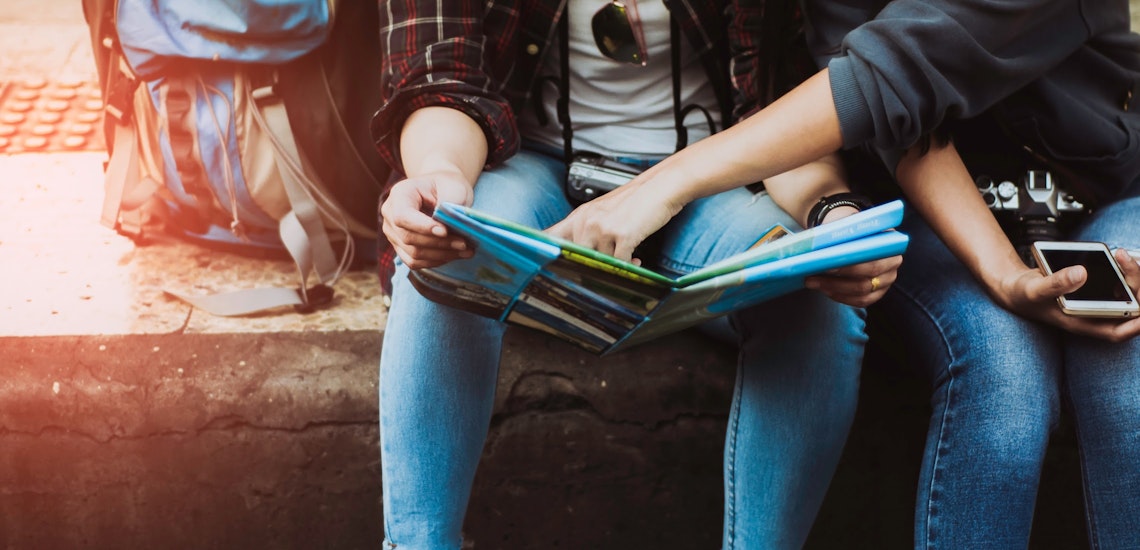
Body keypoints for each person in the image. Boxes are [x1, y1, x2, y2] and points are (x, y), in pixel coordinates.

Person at [552, 0, 1140, 547]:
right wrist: (1002, 272)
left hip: (1101, 184)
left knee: (1126, 372)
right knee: (1004, 377)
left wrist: (661, 186)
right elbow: (896, 102)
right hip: (935, 197)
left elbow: (894, 72)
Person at [371, 0, 904, 548]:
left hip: (705, 179)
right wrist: (441, 176)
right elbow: (440, 78)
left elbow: (778, 110)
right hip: (528, 164)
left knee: (814, 292)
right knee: (444, 255)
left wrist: (829, 215)